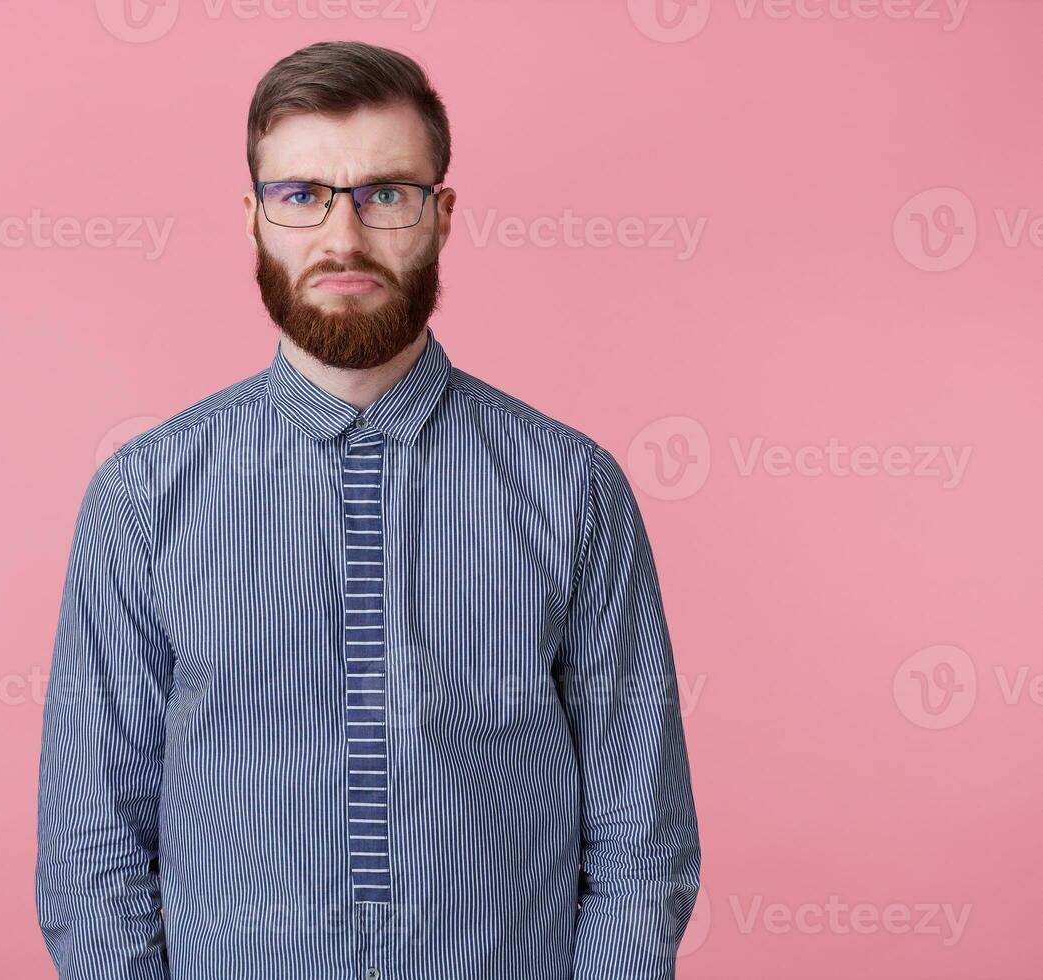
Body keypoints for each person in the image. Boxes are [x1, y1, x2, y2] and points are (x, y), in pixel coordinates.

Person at [35, 39, 700, 980]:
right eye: (301, 195)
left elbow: (642, 841)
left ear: (443, 215)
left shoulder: (572, 489)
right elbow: (92, 848)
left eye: (385, 194)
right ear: (255, 218)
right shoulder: (144, 497)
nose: (342, 239)